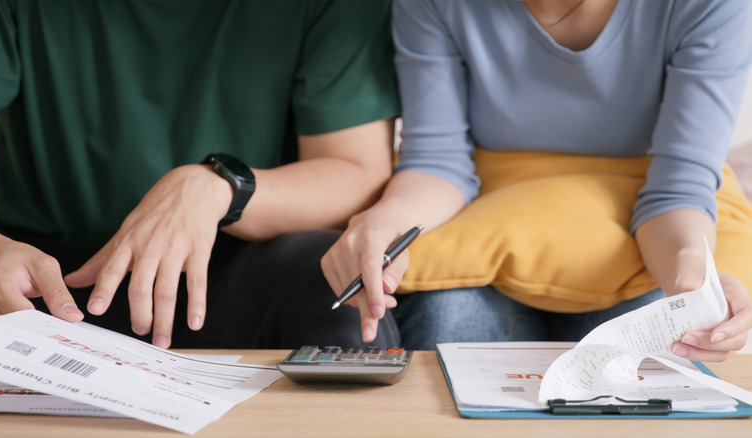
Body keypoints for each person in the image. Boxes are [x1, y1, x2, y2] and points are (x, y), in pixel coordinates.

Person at [321, 0, 752, 361]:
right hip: (488, 207)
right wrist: (382, 221)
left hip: (648, 224)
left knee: (653, 324)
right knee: (445, 319)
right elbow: (437, 161)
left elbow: (678, 187)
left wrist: (693, 284)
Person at [0, 0, 401, 349]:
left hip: (237, 269)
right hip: (44, 277)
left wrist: (220, 187)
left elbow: (356, 170)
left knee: (329, 286)